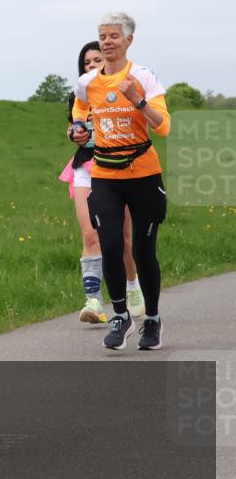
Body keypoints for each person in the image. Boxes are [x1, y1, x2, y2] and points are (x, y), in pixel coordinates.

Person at [70, 12, 170, 351]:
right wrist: (79, 128)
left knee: (143, 252)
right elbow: (79, 108)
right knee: (109, 245)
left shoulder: (143, 76)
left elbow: (164, 126)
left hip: (143, 173)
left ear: (129, 40)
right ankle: (120, 315)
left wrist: (137, 100)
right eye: (103, 36)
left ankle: (153, 321)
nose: (107, 41)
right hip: (105, 175)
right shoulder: (88, 82)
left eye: (114, 36)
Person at [60, 42, 143, 324]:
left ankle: (132, 286)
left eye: (97, 59)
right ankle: (93, 301)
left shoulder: (125, 87)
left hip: (120, 166)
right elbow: (72, 126)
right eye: (87, 62)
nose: (92, 65)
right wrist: (75, 134)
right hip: (86, 166)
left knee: (122, 238)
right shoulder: (79, 94)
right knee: (90, 234)